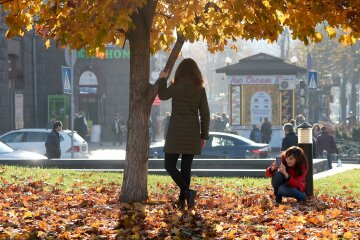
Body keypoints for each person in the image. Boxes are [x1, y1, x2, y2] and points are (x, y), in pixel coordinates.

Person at [157, 58, 210, 209]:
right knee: (186, 168)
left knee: (169, 165)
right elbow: (205, 114)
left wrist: (162, 79)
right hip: (192, 132)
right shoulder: (200, 89)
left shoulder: (176, 86)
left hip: (175, 131)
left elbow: (162, 95)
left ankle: (185, 194)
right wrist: (203, 135)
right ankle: (183, 199)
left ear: (180, 71)